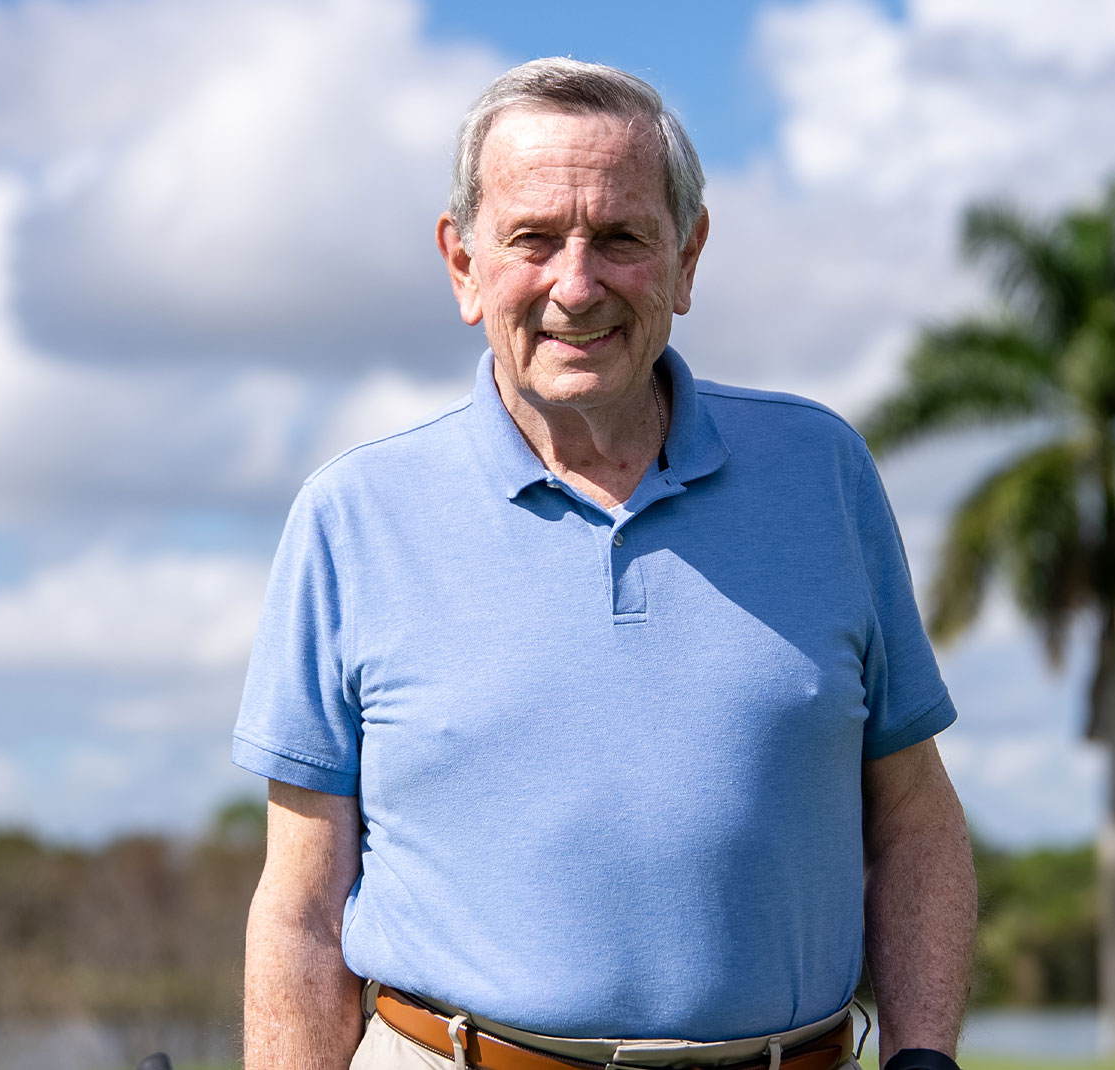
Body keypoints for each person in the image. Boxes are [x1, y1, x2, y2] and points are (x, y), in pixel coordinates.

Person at [233, 58, 976, 1070]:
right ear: (463, 264)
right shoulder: (352, 516)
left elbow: (915, 820)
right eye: (532, 238)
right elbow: (302, 908)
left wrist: (924, 1055)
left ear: (687, 257)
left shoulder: (823, 474)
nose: (576, 286)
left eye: (621, 237)